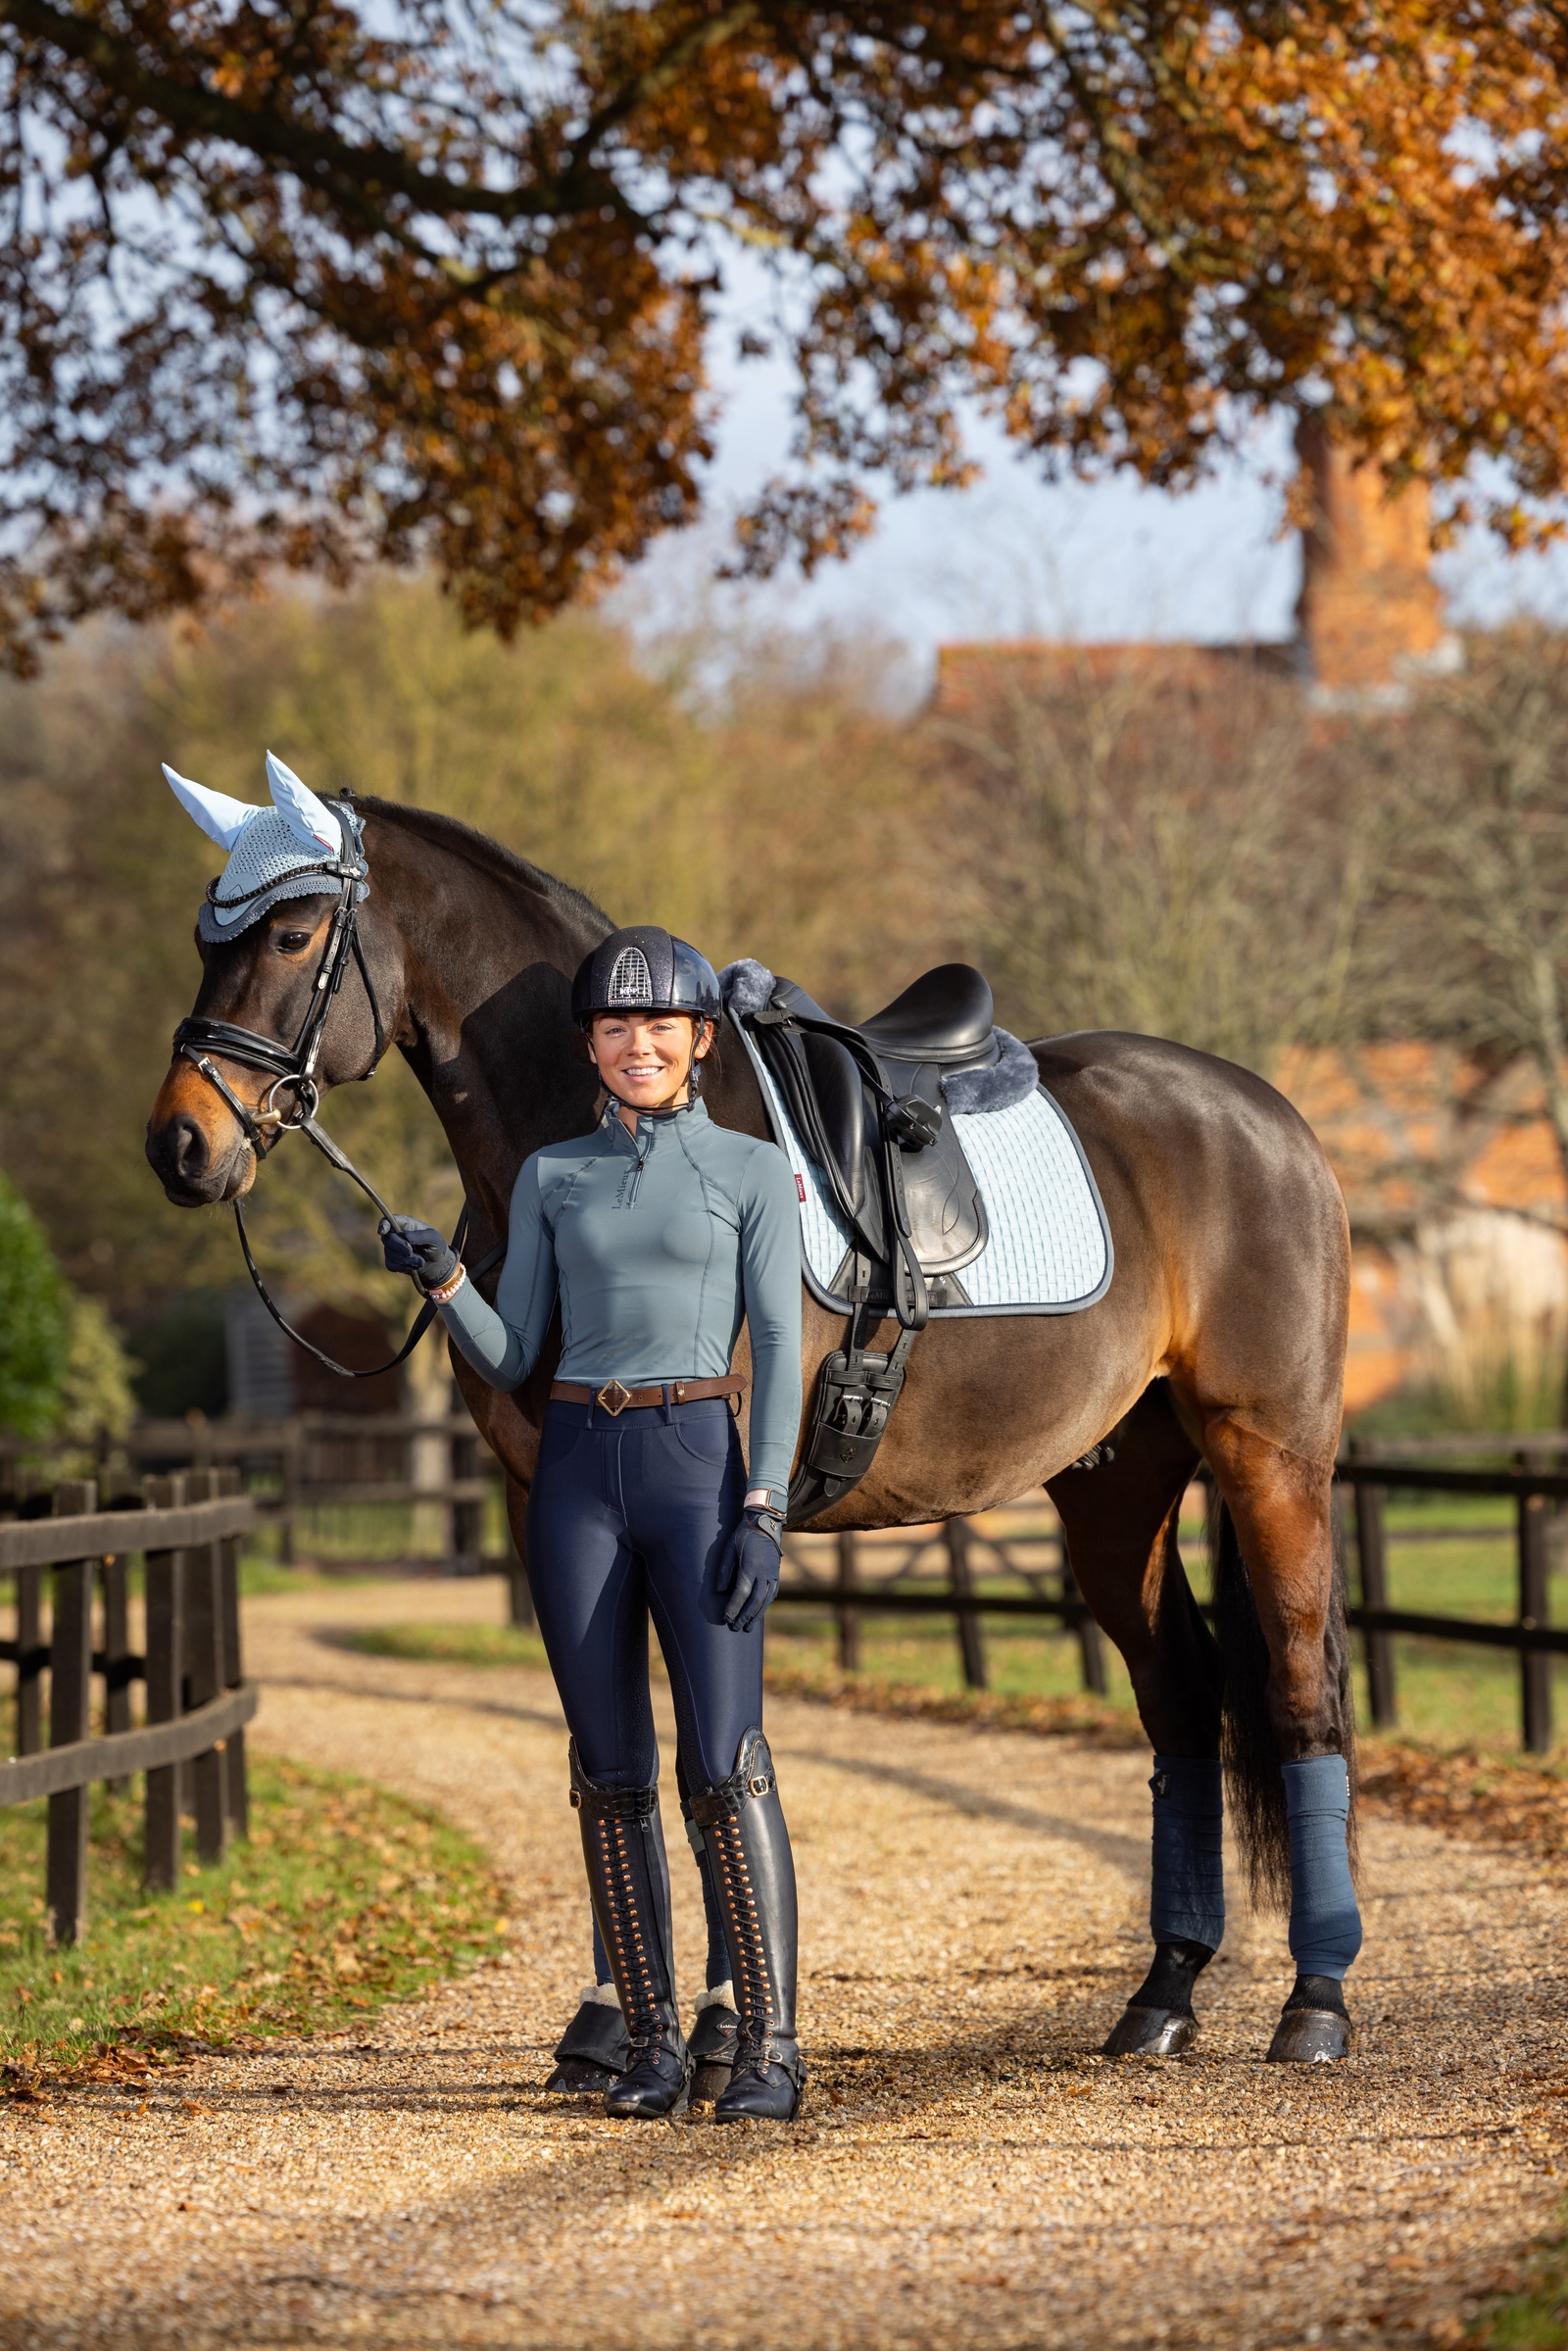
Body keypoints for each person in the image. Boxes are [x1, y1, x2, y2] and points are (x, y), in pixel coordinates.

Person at [379, 926, 806, 2123]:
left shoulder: (749, 1171)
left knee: (724, 1764)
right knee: (608, 1772)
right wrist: (444, 1283)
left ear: (698, 1040)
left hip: (697, 1467)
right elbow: (516, 1355)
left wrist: (764, 1504)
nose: (636, 1045)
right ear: (591, 1046)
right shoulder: (552, 1177)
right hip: (576, 1470)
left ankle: (769, 2042)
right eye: (614, 1029)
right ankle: (655, 2044)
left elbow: (777, 1344)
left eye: (658, 1026)